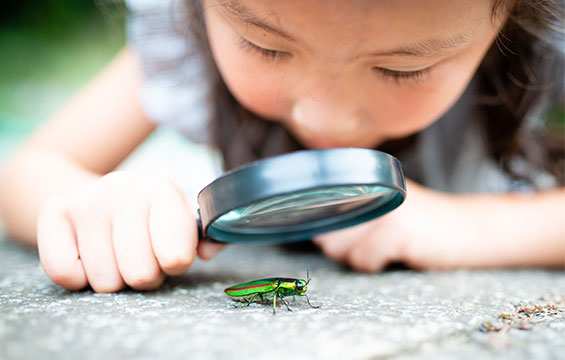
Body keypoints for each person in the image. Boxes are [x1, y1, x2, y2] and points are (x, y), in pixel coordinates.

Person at [0, 0, 563, 293]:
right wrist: (101, 208)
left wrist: (473, 227)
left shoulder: (544, 50)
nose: (324, 114)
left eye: (401, 68)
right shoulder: (184, 43)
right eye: (264, 47)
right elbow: (27, 170)